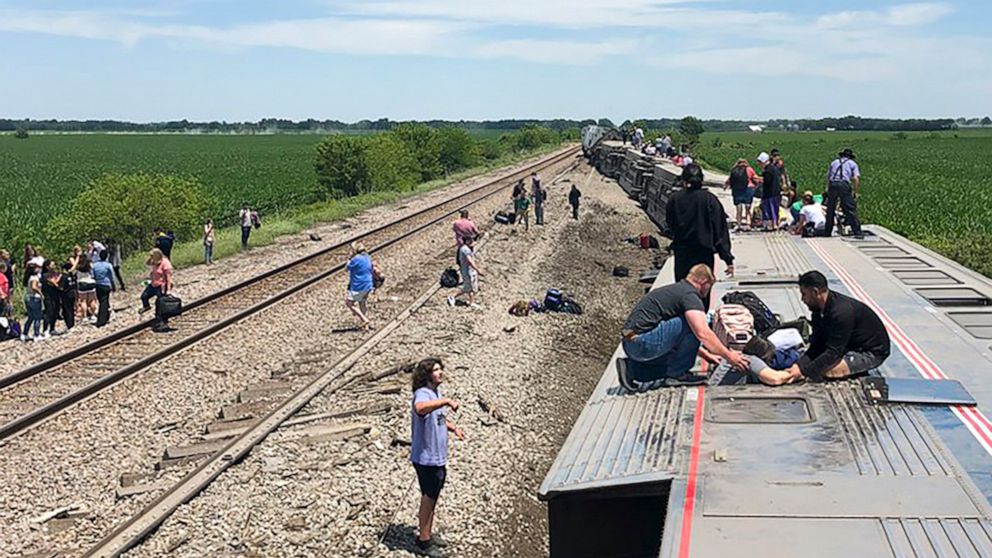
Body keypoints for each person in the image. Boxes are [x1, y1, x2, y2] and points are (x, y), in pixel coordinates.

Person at [617, 264, 748, 390]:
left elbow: (679, 335)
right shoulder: (689, 295)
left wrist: (706, 354)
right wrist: (730, 356)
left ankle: (632, 369)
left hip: (630, 342)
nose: (708, 291)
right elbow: (702, 333)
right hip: (642, 342)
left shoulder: (676, 290)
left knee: (672, 361)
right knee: (698, 322)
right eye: (709, 286)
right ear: (703, 280)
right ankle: (678, 375)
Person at [758, 271, 891, 385]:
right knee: (813, 364)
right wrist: (799, 365)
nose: (802, 299)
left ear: (815, 292)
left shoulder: (841, 313)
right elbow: (817, 345)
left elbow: (833, 352)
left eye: (804, 294)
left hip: (870, 351)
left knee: (828, 371)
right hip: (847, 345)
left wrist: (804, 373)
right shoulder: (818, 310)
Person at [410, 357, 464, 557]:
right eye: (435, 370)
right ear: (426, 375)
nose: (440, 372)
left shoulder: (434, 392)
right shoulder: (422, 394)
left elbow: (437, 417)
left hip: (437, 456)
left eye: (441, 369)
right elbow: (421, 409)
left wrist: (453, 428)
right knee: (428, 497)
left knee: (433, 496)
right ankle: (423, 542)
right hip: (426, 457)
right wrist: (446, 401)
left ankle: (427, 534)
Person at [665, 163, 734, 308]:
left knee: (683, 294)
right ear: (701, 179)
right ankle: (700, 325)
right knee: (702, 295)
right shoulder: (709, 200)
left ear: (684, 179)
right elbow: (720, 230)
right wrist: (727, 257)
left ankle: (685, 325)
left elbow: (670, 225)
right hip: (703, 255)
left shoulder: (674, 199)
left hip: (682, 253)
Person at [824, 148, 863, 238]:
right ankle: (857, 231)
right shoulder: (852, 164)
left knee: (830, 209)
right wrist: (856, 191)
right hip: (844, 184)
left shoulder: (834, 162)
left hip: (833, 184)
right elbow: (856, 178)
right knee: (849, 208)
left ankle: (827, 232)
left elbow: (828, 176)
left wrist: (827, 189)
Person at [139, 248, 174, 332]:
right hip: (153, 284)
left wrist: (168, 290)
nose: (150, 257)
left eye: (152, 256)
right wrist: (150, 258)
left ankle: (161, 322)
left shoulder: (165, 263)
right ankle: (146, 306)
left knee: (159, 304)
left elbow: (169, 279)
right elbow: (147, 263)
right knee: (144, 296)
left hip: (161, 286)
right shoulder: (154, 262)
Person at [345, 242, 375, 331]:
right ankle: (365, 326)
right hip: (368, 284)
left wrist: (349, 259)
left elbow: (346, 268)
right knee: (362, 302)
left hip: (359, 285)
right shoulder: (368, 258)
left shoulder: (355, 259)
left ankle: (364, 319)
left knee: (349, 303)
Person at [447, 235, 483, 308]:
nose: (471, 241)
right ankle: (452, 296)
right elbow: (470, 261)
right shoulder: (465, 249)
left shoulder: (467, 248)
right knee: (468, 287)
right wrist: (478, 270)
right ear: (465, 241)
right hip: (467, 271)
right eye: (469, 240)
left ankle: (471, 301)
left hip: (471, 271)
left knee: (472, 287)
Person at [724, 158, 759, 231]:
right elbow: (755, 178)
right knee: (748, 208)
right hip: (748, 189)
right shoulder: (749, 169)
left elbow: (730, 179)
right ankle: (748, 224)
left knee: (739, 209)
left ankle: (739, 224)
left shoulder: (734, 169)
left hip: (737, 190)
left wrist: (726, 185)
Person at [758, 152, 783, 231]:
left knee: (769, 210)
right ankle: (775, 225)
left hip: (770, 194)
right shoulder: (774, 168)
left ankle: (770, 226)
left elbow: (767, 181)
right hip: (776, 192)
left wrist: (760, 180)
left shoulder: (768, 170)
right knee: (775, 210)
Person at [92, 250, 115, 327]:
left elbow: (92, 275)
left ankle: (106, 316)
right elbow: (112, 276)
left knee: (102, 301)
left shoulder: (95, 265)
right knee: (104, 302)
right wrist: (113, 285)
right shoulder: (108, 265)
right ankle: (102, 320)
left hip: (98, 285)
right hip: (106, 284)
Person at [41, 260, 63, 338]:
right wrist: (59, 277)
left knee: (55, 312)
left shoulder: (55, 273)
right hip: (48, 297)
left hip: (56, 296)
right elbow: (54, 283)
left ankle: (52, 328)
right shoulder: (45, 275)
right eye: (52, 265)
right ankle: (45, 330)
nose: (54, 266)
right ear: (47, 267)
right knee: (49, 313)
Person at [22, 263, 43, 341]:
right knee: (37, 317)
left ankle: (25, 333)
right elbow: (34, 287)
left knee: (30, 317)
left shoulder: (28, 277)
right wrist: (40, 293)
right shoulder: (34, 278)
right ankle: (36, 335)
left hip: (28, 297)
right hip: (35, 298)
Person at [75, 255, 98, 323]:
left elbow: (73, 271)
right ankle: (93, 315)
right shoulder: (90, 265)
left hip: (82, 283)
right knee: (92, 300)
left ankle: (85, 316)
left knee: (83, 301)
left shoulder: (78, 267)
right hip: (90, 282)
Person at [58, 261, 77, 331]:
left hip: (66, 295)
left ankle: (69, 325)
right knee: (71, 309)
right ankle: (72, 323)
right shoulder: (72, 276)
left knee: (67, 310)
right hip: (72, 294)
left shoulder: (64, 277)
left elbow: (61, 287)